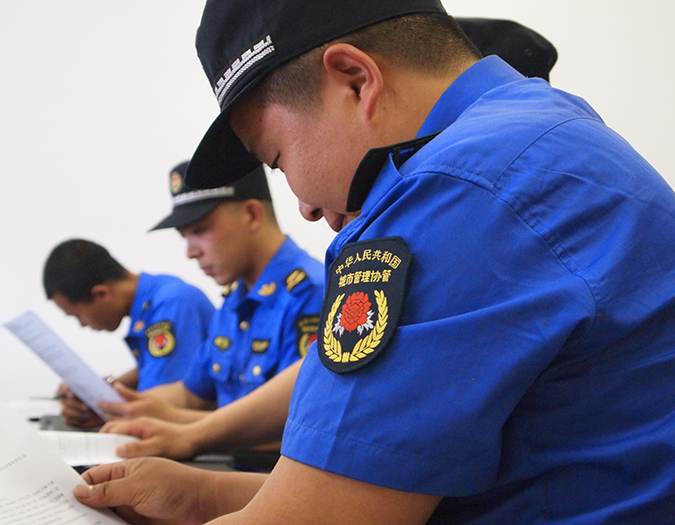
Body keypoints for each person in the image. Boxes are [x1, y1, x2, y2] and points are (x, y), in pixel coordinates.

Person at [98, 16, 560, 461]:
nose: (309, 208)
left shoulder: (456, 221)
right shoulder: (545, 166)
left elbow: (336, 438)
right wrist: (169, 423)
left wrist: (194, 440)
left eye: (279, 158)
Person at [95, 162, 325, 425]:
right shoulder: (235, 300)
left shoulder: (312, 293)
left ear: (252, 215)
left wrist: (180, 427)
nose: (191, 252)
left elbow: (299, 424)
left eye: (199, 230)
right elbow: (190, 394)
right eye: (185, 237)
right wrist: (111, 406)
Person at [43, 238, 216, 428]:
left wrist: (98, 407)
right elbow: (158, 367)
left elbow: (160, 403)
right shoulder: (160, 293)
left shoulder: (171, 304)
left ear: (102, 294)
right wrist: (99, 390)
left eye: (78, 315)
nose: (82, 325)